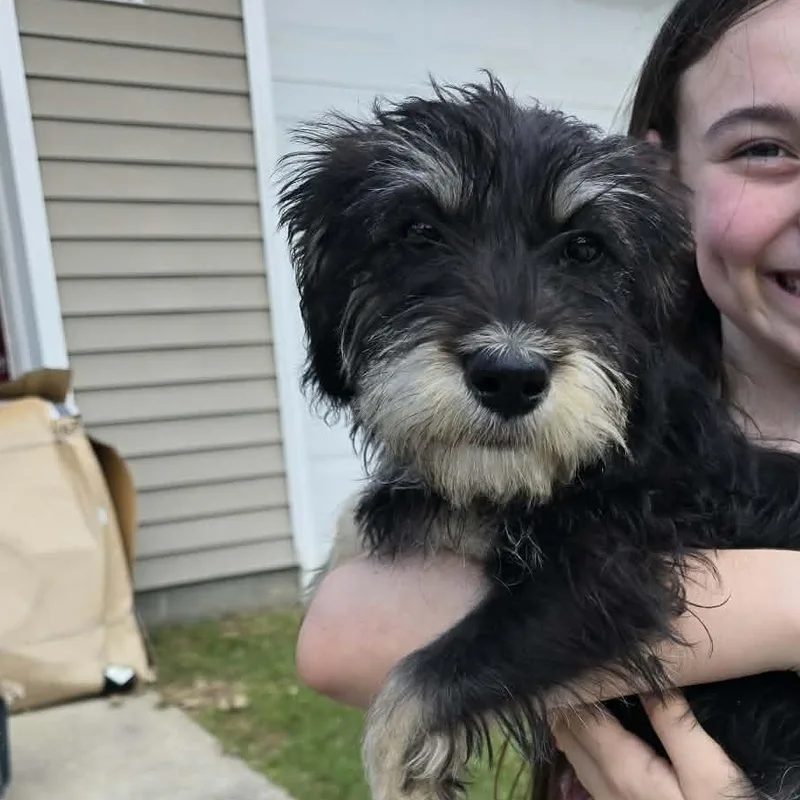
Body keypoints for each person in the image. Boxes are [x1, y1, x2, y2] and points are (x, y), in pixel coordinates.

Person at [295, 0, 800, 796]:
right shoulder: (654, 402)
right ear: (671, 178)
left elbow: (598, 581)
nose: (510, 342)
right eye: (766, 148)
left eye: (582, 252)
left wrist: (423, 706)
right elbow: (341, 636)